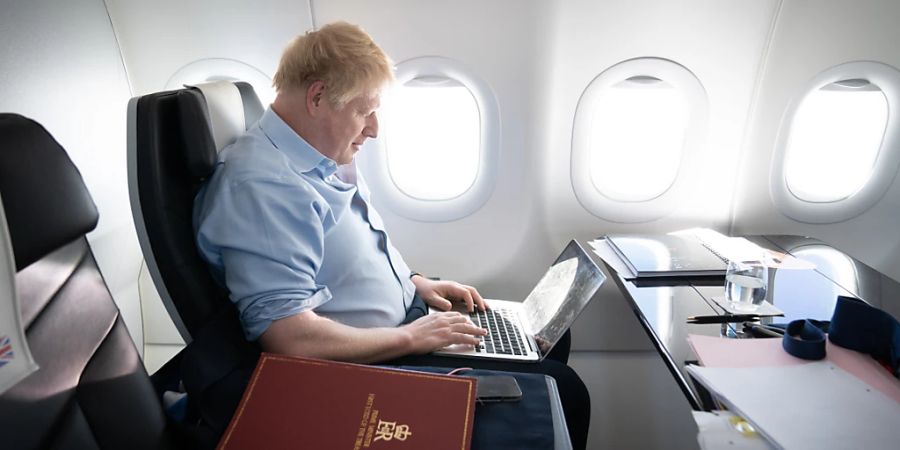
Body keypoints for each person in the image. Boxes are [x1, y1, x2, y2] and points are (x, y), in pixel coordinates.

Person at [193, 21, 590, 449]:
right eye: (365, 111)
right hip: (367, 360)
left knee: (549, 337)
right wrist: (413, 337)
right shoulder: (262, 187)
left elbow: (353, 255)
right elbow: (290, 338)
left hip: (407, 320)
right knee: (563, 388)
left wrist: (417, 284)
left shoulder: (323, 159)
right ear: (318, 97)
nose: (375, 129)